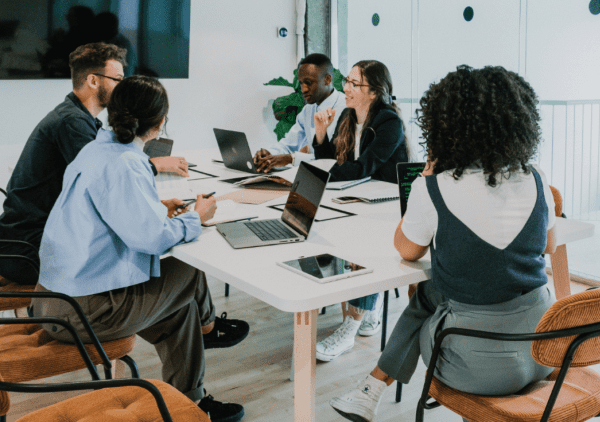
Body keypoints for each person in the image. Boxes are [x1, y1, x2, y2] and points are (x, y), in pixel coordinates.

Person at [329, 65, 557, 422]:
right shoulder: (538, 178)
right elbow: (547, 247)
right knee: (438, 288)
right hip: (545, 350)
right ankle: (370, 388)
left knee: (426, 290)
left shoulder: (435, 188)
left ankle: (373, 387)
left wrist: (425, 180)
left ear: (446, 126)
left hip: (476, 368)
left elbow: (406, 249)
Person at [32, 75, 248, 422]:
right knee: (188, 271)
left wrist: (157, 208)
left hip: (51, 300)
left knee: (178, 310)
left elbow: (113, 213)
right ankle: (211, 331)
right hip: (81, 313)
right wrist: (196, 216)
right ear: (160, 123)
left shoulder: (97, 149)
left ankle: (190, 405)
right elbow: (153, 239)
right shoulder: (126, 164)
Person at [0, 42, 188, 286]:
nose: (123, 88)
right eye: (118, 79)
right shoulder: (73, 124)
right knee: (148, 260)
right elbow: (107, 187)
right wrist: (157, 168)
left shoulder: (77, 118)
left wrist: (158, 207)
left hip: (24, 242)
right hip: (31, 250)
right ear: (93, 80)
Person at [312, 60, 408, 362]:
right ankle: (367, 306)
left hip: (389, 206)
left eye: (355, 84)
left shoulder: (389, 122)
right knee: (324, 229)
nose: (347, 89)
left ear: (374, 92)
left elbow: (361, 168)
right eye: (348, 82)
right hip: (358, 199)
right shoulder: (346, 116)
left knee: (364, 245)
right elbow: (331, 160)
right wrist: (320, 133)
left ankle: (350, 326)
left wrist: (323, 175)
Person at [253, 53, 346, 173]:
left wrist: (291, 159)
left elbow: (334, 160)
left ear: (327, 79)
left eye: (309, 83)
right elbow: (288, 144)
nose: (303, 89)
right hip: (312, 176)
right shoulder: (308, 110)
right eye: (301, 83)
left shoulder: (346, 108)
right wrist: (268, 154)